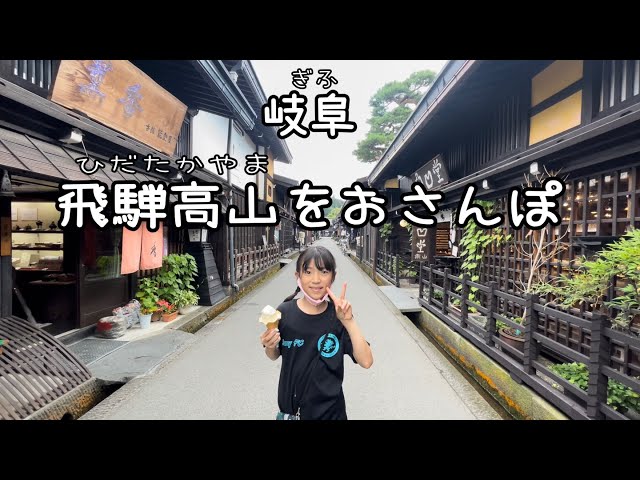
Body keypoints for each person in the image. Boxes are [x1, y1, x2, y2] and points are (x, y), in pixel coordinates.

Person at [260, 245, 373, 420]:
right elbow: (274, 354)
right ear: (298, 276)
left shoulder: (338, 316)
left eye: (324, 272)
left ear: (333, 277)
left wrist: (348, 321)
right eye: (308, 272)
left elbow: (366, 361)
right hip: (293, 414)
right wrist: (270, 345)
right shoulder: (284, 312)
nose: (316, 279)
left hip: (332, 415)